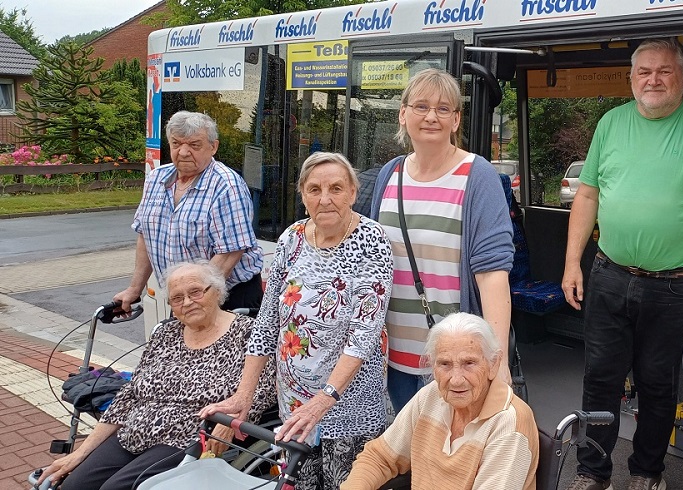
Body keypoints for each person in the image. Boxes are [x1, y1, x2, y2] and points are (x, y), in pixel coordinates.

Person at [560, 39, 683, 490]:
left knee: (658, 384)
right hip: (609, 273)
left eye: (664, 71)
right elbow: (588, 195)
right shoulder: (611, 123)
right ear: (632, 79)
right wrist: (572, 263)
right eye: (644, 72)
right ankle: (592, 473)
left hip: (675, 286)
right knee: (600, 380)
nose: (653, 79)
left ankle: (647, 474)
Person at [201, 152, 394, 490]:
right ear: (303, 195)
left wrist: (324, 399)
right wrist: (243, 396)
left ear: (352, 192)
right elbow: (267, 320)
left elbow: (365, 331)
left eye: (336, 188)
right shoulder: (292, 237)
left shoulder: (372, 241)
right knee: (296, 484)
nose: (326, 198)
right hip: (293, 403)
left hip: (348, 407)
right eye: (314, 189)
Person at [39, 261, 274, 490]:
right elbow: (129, 396)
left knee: (115, 487)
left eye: (195, 292)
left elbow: (263, 388)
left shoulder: (248, 332)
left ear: (217, 292)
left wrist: (231, 423)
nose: (188, 302)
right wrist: (79, 454)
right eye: (177, 298)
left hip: (187, 435)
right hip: (134, 430)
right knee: (74, 484)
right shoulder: (166, 333)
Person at [369, 68, 514, 412]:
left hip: (454, 365)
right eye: (420, 106)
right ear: (403, 114)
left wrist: (498, 361)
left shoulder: (478, 177)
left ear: (455, 119)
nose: (431, 116)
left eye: (443, 108)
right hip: (393, 359)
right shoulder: (390, 175)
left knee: (451, 459)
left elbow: (492, 274)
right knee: (405, 459)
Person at [342, 313, 538, 490]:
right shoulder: (431, 396)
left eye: (469, 363)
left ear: (493, 364)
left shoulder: (509, 424)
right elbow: (380, 457)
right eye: (445, 364)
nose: (456, 379)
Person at [114, 111, 264, 313]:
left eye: (194, 145)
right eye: (176, 144)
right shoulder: (156, 179)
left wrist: (195, 299)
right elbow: (146, 236)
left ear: (213, 147)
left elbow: (230, 251)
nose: (183, 152)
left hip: (227, 297)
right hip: (186, 298)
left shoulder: (226, 185)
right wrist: (134, 288)